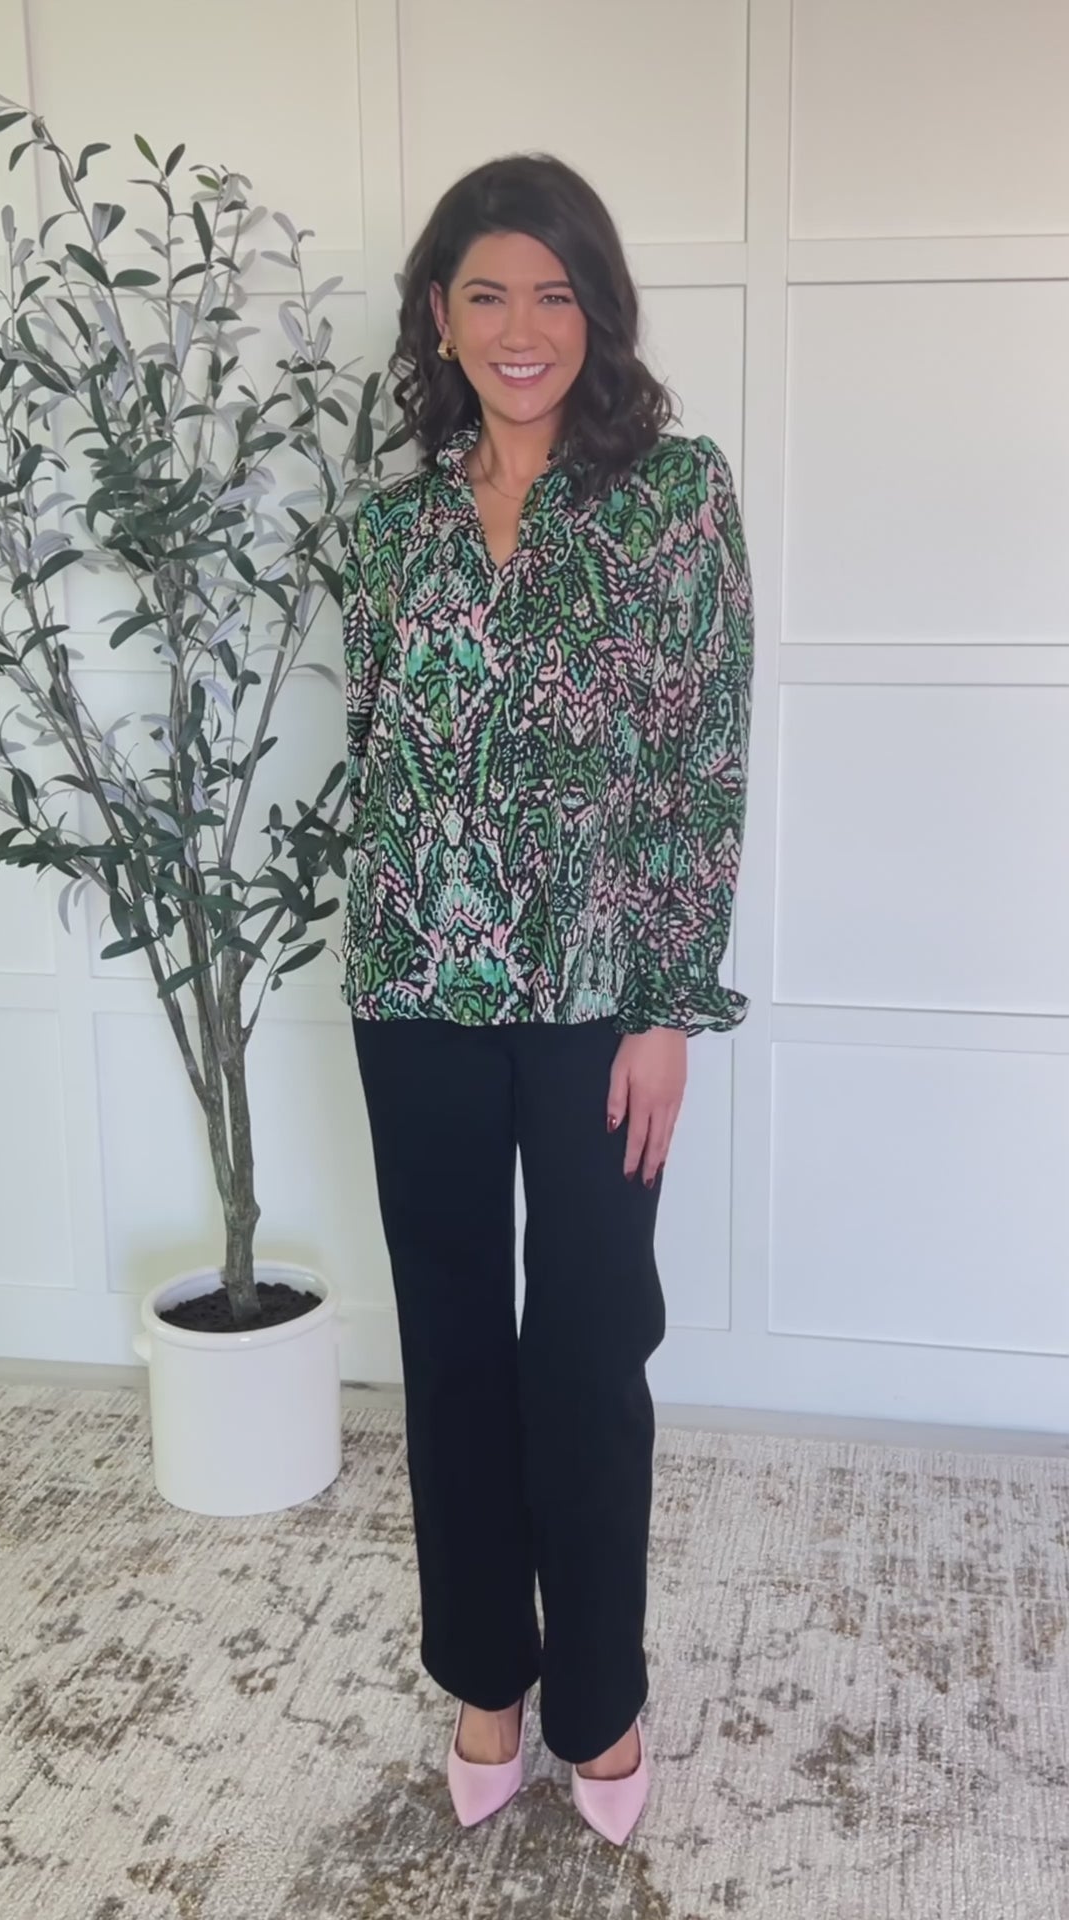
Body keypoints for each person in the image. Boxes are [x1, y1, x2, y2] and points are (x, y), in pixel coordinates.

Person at [340, 153, 754, 1847]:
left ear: (599, 310)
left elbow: (703, 755)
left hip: (599, 998)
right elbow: (378, 751)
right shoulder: (389, 526)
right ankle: (484, 1677)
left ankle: (599, 1699)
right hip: (413, 986)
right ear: (438, 317)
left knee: (587, 1343)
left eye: (556, 293)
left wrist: (667, 1007)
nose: (523, 329)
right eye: (488, 294)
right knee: (448, 1346)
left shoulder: (677, 495)